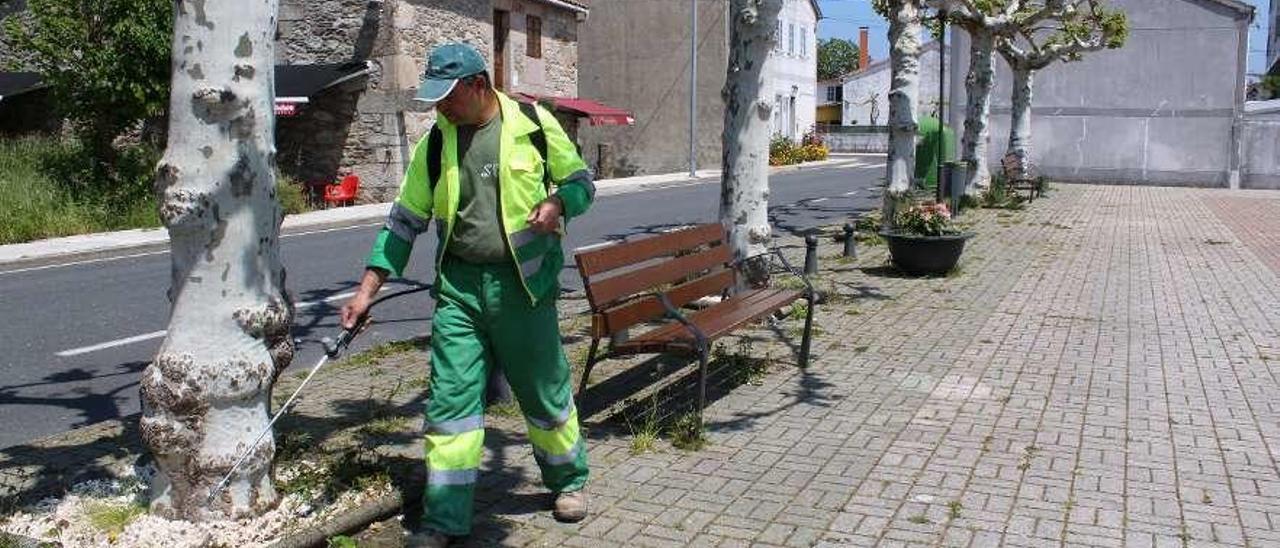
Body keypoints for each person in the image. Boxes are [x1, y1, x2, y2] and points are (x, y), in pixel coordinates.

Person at [340, 42, 595, 547]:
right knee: (450, 405)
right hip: (459, 291)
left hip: (522, 289)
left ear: (478, 85)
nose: (440, 108)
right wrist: (366, 290)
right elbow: (404, 221)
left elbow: (582, 182)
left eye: (448, 97)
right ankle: (444, 519)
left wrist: (558, 203)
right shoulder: (436, 143)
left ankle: (568, 481)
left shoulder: (534, 124)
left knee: (544, 395)